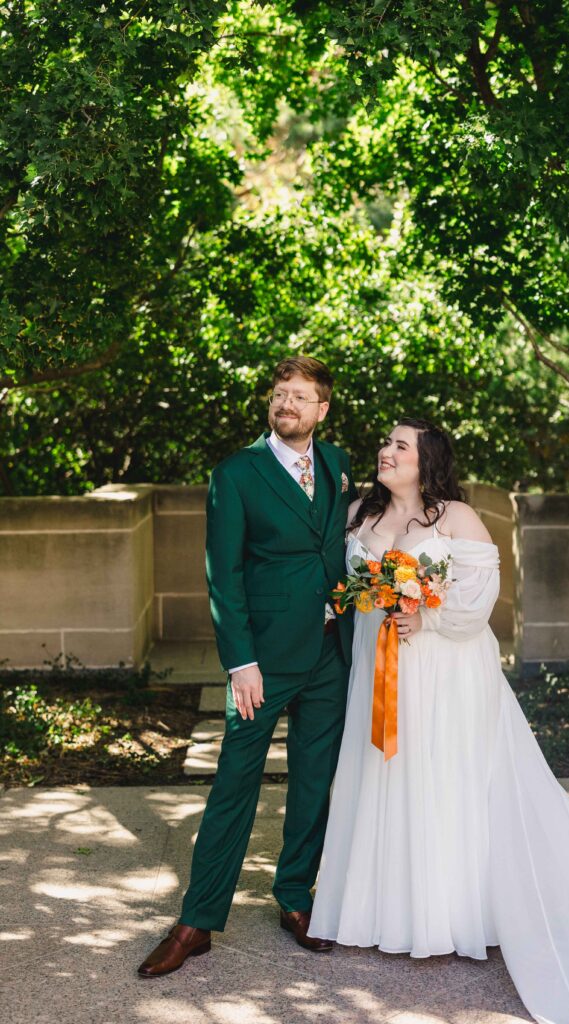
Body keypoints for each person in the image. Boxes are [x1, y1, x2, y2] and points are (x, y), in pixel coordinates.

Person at [308, 417, 569, 1024]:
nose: (386, 451)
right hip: (378, 674)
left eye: (400, 445)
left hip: (446, 671)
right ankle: (384, 910)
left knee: (446, 779)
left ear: (426, 460)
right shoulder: (358, 515)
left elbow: (479, 601)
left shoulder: (456, 517)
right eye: (386, 443)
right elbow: (349, 589)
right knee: (383, 775)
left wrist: (425, 617)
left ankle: (453, 913)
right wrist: (376, 602)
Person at [138, 356, 357, 977]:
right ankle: (196, 921)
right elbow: (223, 578)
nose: (286, 403)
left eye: (300, 396)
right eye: (279, 394)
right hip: (262, 664)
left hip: (328, 656)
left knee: (314, 786)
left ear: (322, 409)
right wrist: (241, 664)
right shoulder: (235, 474)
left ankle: (295, 900)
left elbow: (336, 550)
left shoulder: (337, 464)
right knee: (235, 785)